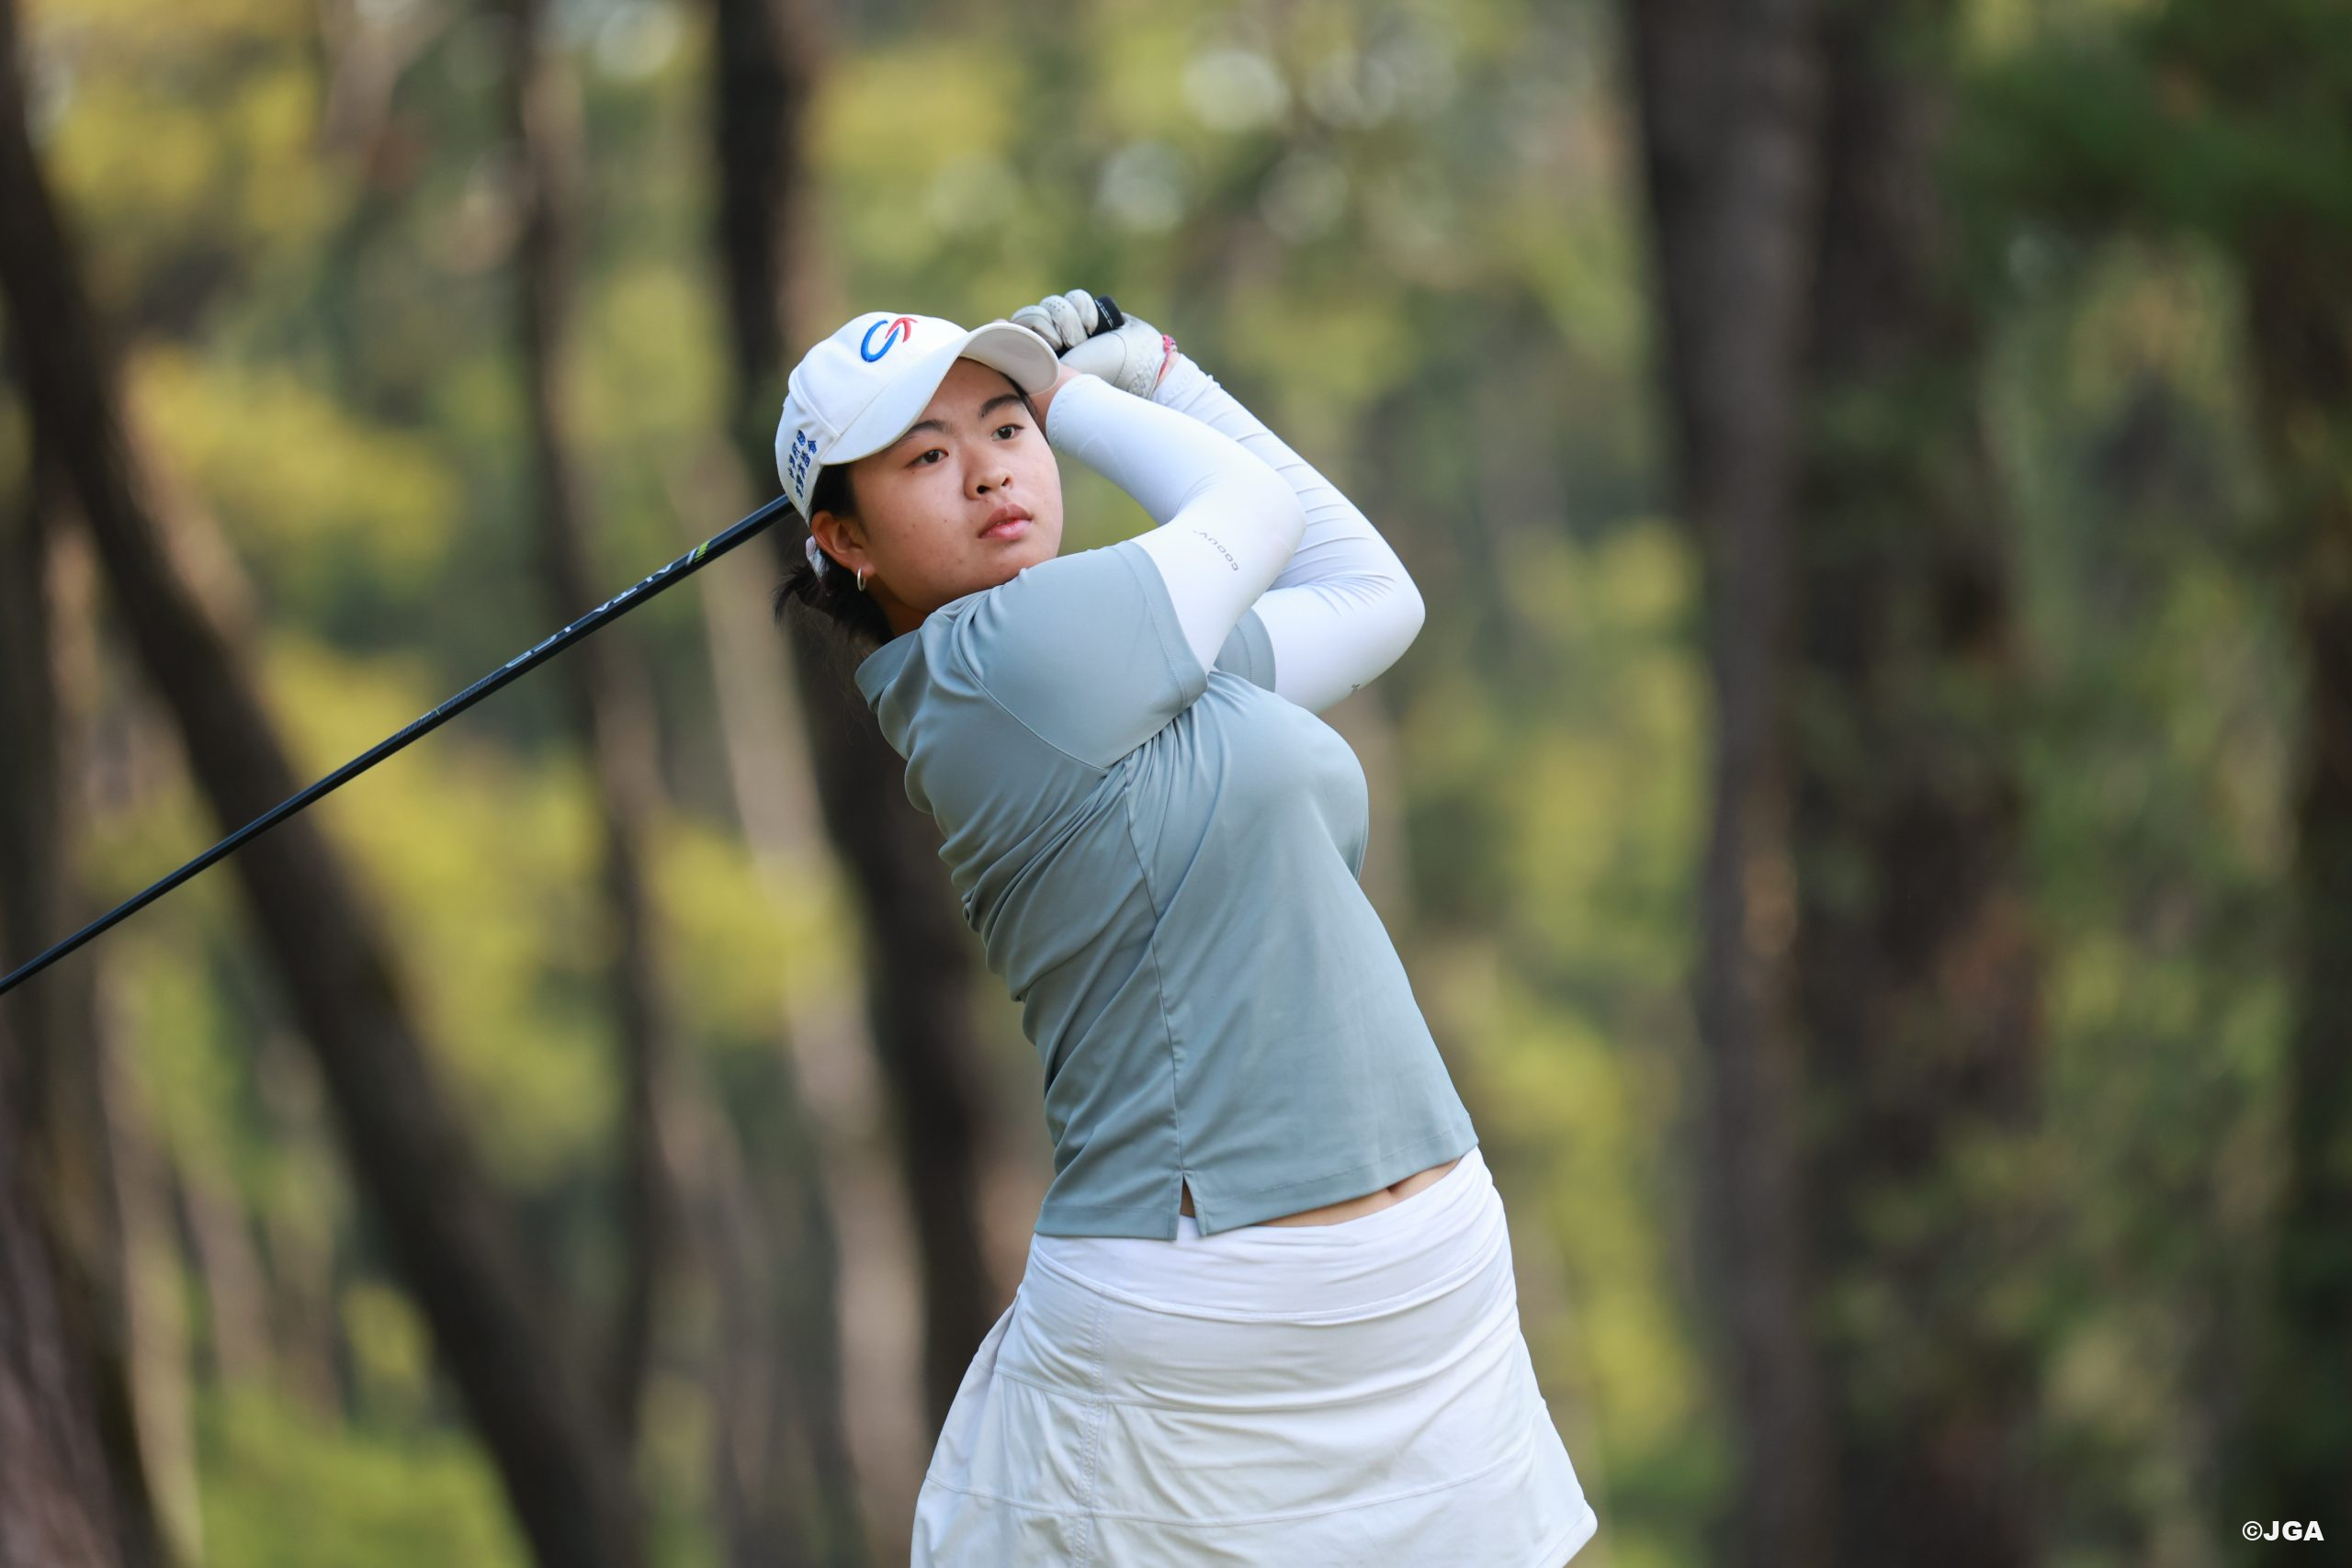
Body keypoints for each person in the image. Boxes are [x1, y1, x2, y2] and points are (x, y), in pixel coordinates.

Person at [771, 289, 1600, 1567]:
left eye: (1005, 428)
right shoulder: (1000, 657)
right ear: (845, 540)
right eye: (927, 458)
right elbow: (1255, 513)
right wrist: (1080, 394)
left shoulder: (1125, 666)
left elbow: (1372, 594)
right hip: (1210, 1304)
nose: (990, 471)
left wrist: (1164, 370)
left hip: (1423, 1289)